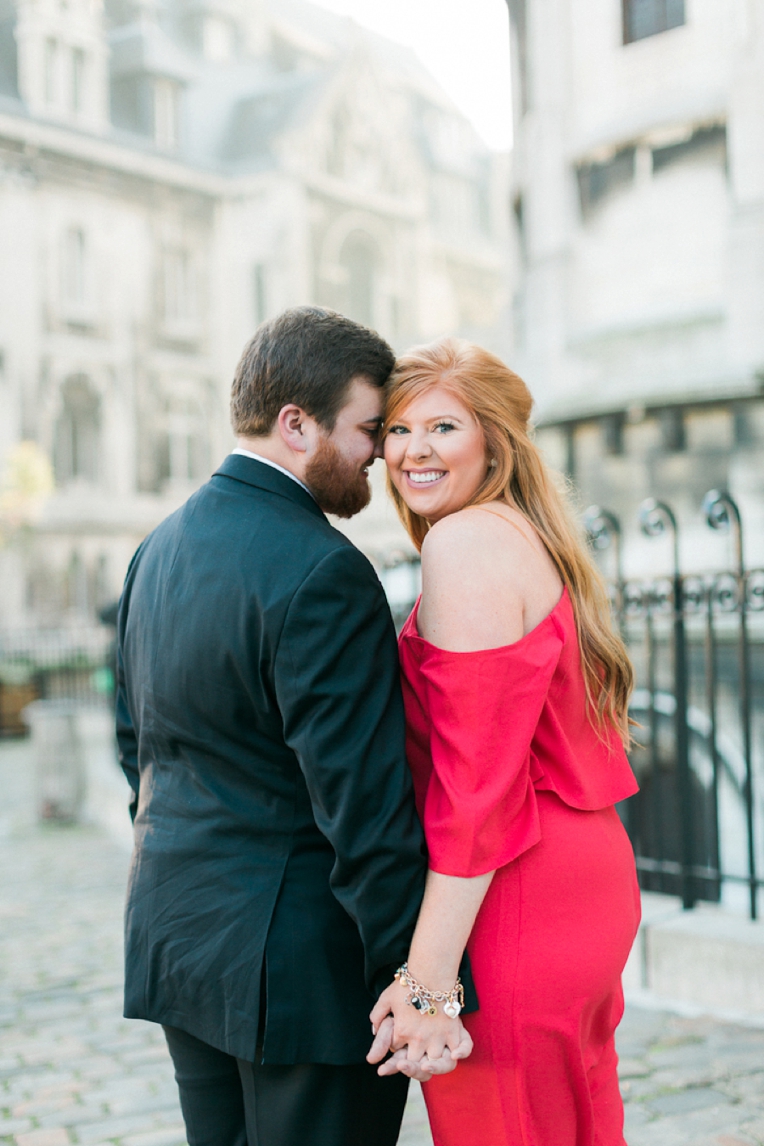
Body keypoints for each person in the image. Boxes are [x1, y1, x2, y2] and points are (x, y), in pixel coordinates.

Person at [115, 307, 471, 1146]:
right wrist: (418, 983)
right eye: (369, 431)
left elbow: (137, 751)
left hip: (178, 938)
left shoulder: (155, 550)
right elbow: (364, 809)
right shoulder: (324, 570)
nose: (381, 457)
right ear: (296, 424)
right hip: (299, 973)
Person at [369, 337, 641, 1145]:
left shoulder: (466, 543)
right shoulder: (520, 531)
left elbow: (476, 792)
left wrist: (425, 987)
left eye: (444, 427)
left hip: (519, 894)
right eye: (397, 428)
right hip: (574, 875)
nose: (414, 450)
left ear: (495, 440)